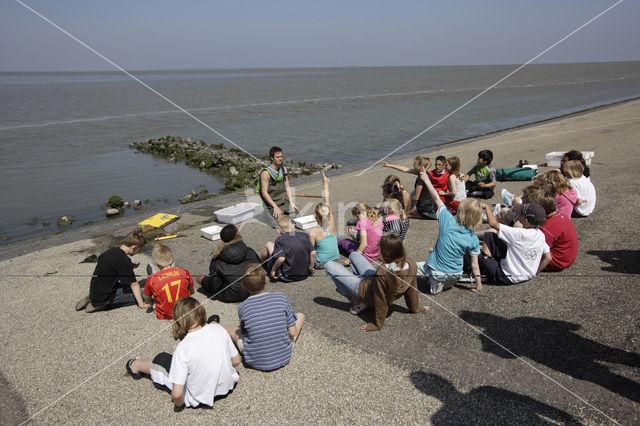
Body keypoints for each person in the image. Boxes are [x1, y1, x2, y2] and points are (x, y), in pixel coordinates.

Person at [125, 297, 241, 409]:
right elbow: (236, 361)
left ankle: (135, 366)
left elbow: (177, 394)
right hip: (227, 385)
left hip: (200, 396)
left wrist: (180, 404)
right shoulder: (219, 329)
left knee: (162, 359)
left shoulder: (183, 348)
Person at [325, 235, 430, 331]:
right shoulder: (411, 264)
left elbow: (381, 300)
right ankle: (356, 293)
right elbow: (412, 288)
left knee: (329, 265)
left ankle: (355, 297)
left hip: (366, 292)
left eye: (380, 249)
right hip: (373, 282)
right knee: (354, 255)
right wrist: (415, 308)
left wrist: (377, 325)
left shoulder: (383, 270)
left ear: (386, 254)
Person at [415, 166, 484, 293]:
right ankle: (443, 282)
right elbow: (475, 265)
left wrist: (426, 179)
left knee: (409, 267)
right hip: (456, 273)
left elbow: (436, 198)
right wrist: (478, 285)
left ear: (460, 212)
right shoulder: (473, 237)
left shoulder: (448, 220)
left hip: (437, 272)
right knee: (435, 252)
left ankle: (435, 283)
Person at [223, 265, 305, 371]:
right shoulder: (281, 297)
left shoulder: (243, 306)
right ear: (266, 280)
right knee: (301, 316)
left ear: (243, 286)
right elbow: (293, 333)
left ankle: (216, 326)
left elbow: (244, 332)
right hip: (284, 356)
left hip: (255, 360)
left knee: (235, 332)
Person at [473, 202, 552, 285]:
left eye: (521, 214)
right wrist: (534, 273)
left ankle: (483, 265)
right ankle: (487, 262)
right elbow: (548, 257)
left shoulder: (519, 233)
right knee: (494, 238)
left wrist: (486, 207)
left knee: (479, 249)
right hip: (527, 275)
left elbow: (493, 223)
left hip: (505, 275)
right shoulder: (540, 234)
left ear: (525, 220)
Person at [75, 228, 149, 313]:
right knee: (146, 293)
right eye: (140, 250)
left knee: (125, 285)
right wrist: (141, 304)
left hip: (96, 289)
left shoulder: (111, 251)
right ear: (134, 247)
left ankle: (91, 298)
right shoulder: (124, 260)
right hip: (107, 296)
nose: (139, 252)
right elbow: (134, 284)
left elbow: (109, 266)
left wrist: (130, 266)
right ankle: (100, 304)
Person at [196, 224, 261, 303]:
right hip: (255, 287)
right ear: (236, 237)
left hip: (234, 294)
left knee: (200, 278)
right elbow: (260, 268)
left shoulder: (217, 259)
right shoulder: (249, 250)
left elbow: (214, 285)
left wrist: (203, 281)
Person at [525, 184, 578, 272]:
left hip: (556, 262)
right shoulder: (560, 216)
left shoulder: (548, 227)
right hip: (566, 258)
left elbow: (536, 249)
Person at [143, 245, 194, 319]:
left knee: (154, 296)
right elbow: (192, 291)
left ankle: (156, 274)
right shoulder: (184, 272)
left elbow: (146, 298)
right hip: (185, 310)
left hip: (165, 314)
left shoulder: (151, 279)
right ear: (172, 260)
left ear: (156, 264)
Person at [261, 215, 316, 282]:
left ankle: (261, 263)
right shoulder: (304, 236)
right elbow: (313, 253)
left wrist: (273, 270)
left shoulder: (279, 240)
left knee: (269, 244)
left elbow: (281, 259)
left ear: (279, 231)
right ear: (292, 226)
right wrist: (310, 267)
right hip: (304, 274)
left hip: (286, 276)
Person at [257, 146, 299, 219]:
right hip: (272, 204)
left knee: (296, 214)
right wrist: (275, 207)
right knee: (281, 221)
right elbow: (264, 193)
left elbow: (287, 187)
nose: (280, 159)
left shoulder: (284, 170)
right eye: (277, 157)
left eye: (281, 156)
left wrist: (292, 203)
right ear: (272, 158)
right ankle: (267, 213)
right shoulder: (266, 173)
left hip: (283, 201)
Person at [336, 202, 383, 266]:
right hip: (376, 254)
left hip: (366, 256)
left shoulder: (362, 222)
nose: (357, 220)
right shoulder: (378, 220)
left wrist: (353, 259)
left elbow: (364, 244)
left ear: (362, 213)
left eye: (357, 217)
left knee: (344, 242)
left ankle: (334, 240)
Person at [308, 172, 339, 269]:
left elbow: (311, 252)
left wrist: (311, 267)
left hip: (321, 263)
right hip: (335, 259)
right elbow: (327, 202)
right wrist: (325, 184)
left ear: (315, 215)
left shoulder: (313, 231)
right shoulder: (331, 223)